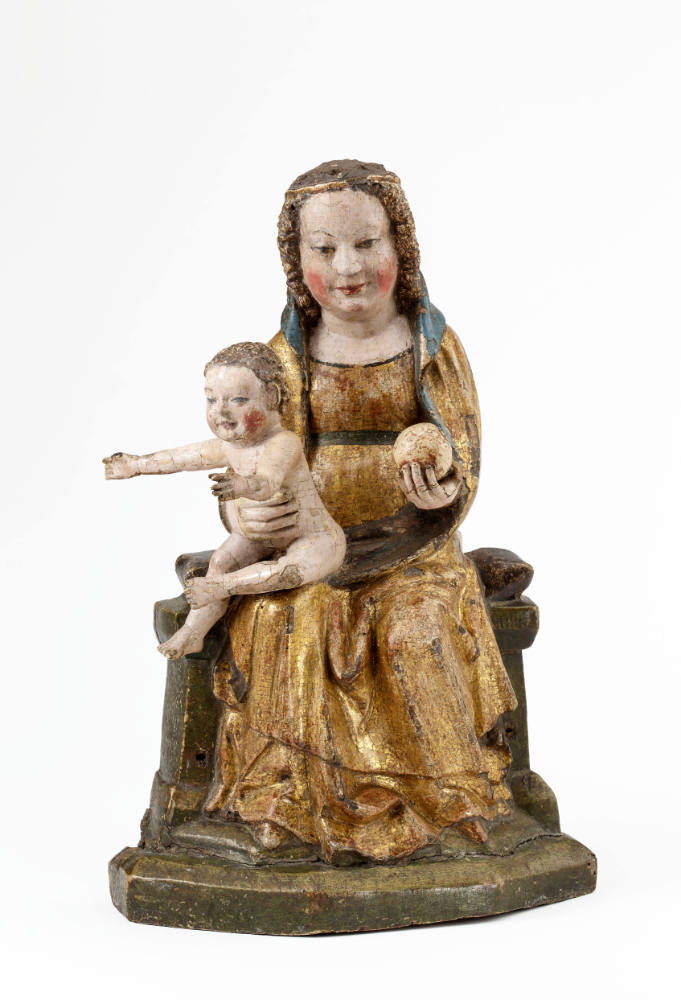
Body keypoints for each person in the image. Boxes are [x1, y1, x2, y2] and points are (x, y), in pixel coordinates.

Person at [204, 160, 518, 863]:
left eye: (365, 243)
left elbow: (461, 445)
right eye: (324, 249)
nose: (346, 267)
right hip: (309, 542)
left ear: (399, 245)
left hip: (410, 548)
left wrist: (442, 483)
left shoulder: (430, 346)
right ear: (297, 261)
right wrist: (245, 521)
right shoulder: (284, 358)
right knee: (283, 620)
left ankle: (450, 797)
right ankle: (285, 801)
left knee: (413, 629)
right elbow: (247, 457)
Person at [103, 342, 345, 659]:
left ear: (272, 397)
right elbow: (181, 458)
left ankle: (223, 586)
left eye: (238, 400)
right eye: (211, 400)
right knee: (220, 562)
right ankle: (193, 632)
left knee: (292, 570)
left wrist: (242, 485)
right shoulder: (230, 447)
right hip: (258, 537)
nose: (221, 411)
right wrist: (136, 465)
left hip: (314, 537)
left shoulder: (283, 443)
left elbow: (267, 482)